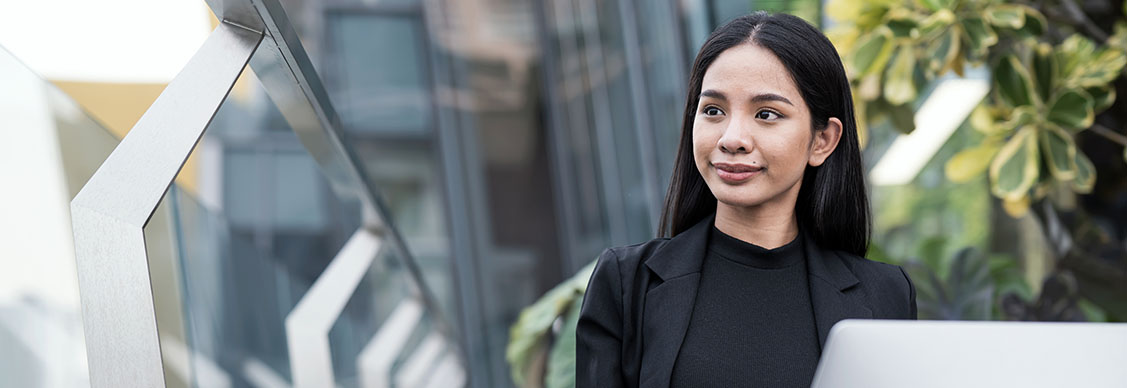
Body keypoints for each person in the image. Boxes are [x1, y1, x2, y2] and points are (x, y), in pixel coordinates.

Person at [575, 11, 917, 388]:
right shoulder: (627, 283)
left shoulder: (884, 294)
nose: (732, 138)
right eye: (713, 111)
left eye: (766, 114)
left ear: (822, 141)